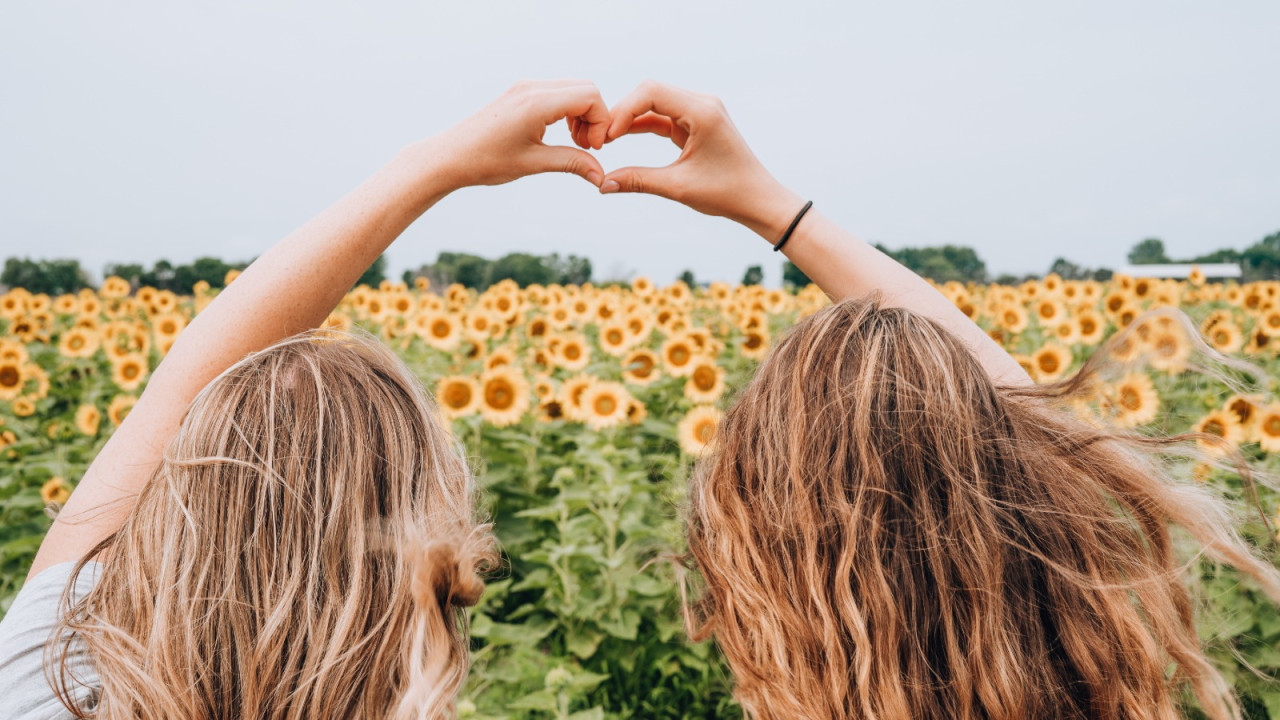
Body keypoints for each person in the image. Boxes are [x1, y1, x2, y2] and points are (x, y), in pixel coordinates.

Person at [592, 81, 1280, 719]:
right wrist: (772, 204)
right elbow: (1029, 427)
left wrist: (476, 165)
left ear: (765, 570)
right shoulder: (1083, 689)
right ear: (1033, 523)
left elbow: (1026, 427)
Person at [0, 79, 618, 720]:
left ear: (167, 538)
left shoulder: (43, 692)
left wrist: (431, 164)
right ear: (426, 588)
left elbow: (173, 395)